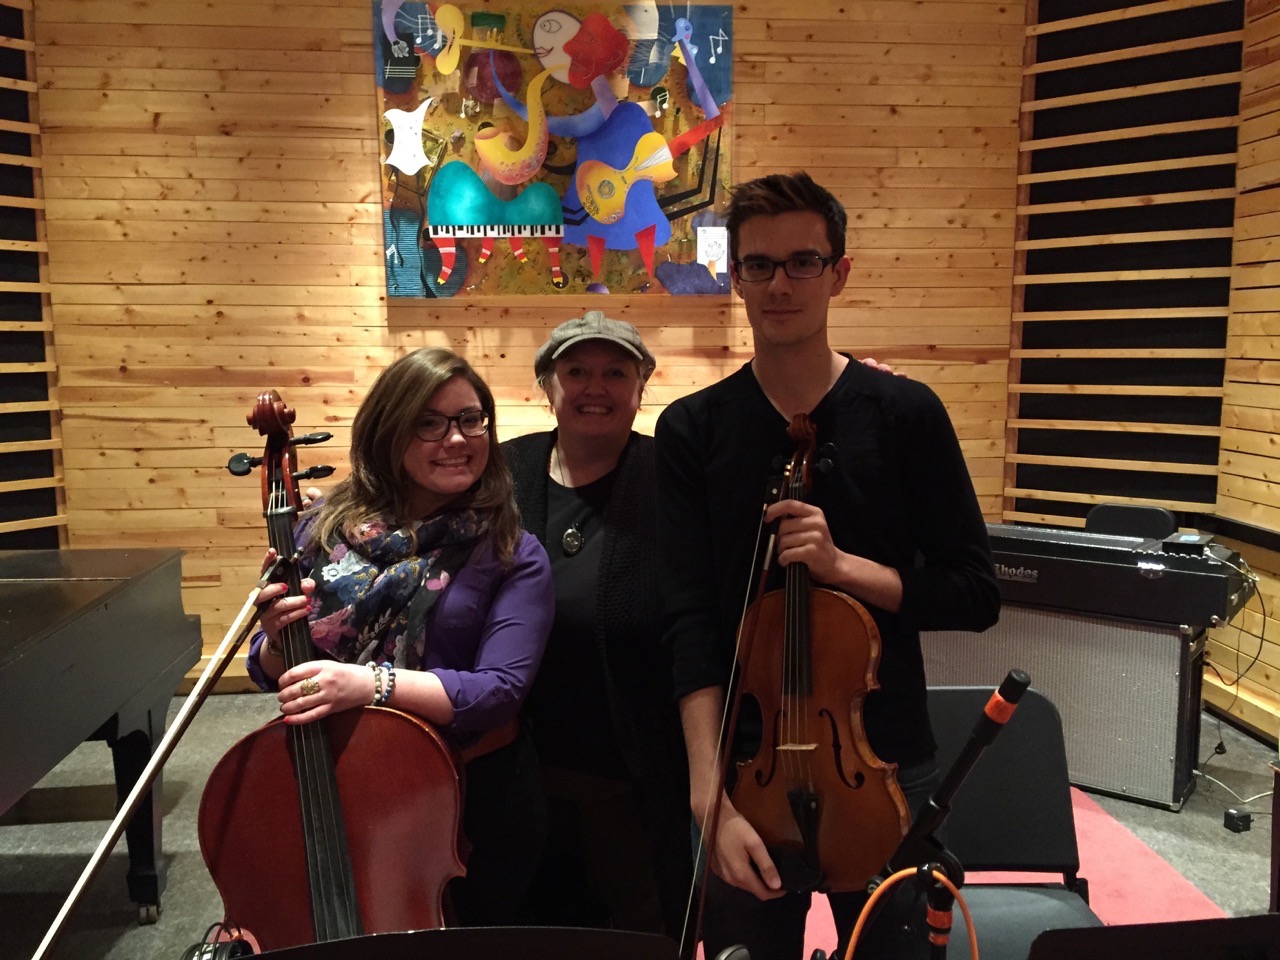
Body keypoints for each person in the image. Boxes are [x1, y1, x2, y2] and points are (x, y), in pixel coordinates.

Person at [654, 172, 1001, 960]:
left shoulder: (907, 415)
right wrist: (709, 794)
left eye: (803, 261)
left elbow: (975, 591)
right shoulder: (692, 431)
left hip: (881, 771)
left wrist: (846, 568)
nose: (780, 284)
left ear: (839, 272)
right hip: (745, 773)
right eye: (758, 265)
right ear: (734, 275)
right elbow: (690, 623)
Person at [247, 347, 554, 928]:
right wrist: (274, 641)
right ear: (389, 432)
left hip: (467, 798)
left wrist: (370, 684)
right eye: (429, 423)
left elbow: (498, 691)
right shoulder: (325, 529)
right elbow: (267, 669)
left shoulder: (511, 550)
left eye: (470, 419)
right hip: (337, 778)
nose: (457, 439)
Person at [502, 311, 694, 946]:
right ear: (546, 387)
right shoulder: (503, 472)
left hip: (634, 774)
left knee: (645, 934)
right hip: (516, 771)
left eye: (617, 372)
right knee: (528, 931)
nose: (595, 387)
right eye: (575, 371)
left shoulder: (674, 476)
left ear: (641, 389)